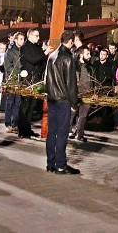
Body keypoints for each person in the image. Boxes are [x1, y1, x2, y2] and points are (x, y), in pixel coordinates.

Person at [45, 31, 80, 174]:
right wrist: (74, 103)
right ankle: (60, 165)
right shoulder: (68, 58)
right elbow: (71, 84)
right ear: (71, 41)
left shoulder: (52, 56)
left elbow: (47, 78)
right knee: (62, 133)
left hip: (52, 98)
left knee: (51, 132)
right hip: (63, 100)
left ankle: (50, 163)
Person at [18, 29, 51, 138]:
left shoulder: (37, 47)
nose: (38, 38)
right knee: (25, 105)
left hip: (36, 79)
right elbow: (33, 59)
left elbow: (41, 61)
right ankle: (22, 130)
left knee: (31, 106)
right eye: (36, 36)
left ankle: (27, 128)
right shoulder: (25, 47)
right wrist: (45, 53)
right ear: (30, 36)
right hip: (27, 79)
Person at [3, 32, 24, 133]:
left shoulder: (23, 50)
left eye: (23, 39)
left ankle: (15, 123)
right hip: (12, 80)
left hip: (21, 80)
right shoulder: (10, 51)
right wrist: (18, 73)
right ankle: (8, 123)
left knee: (18, 102)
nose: (22, 41)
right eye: (20, 39)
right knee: (10, 102)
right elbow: (8, 66)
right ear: (15, 40)